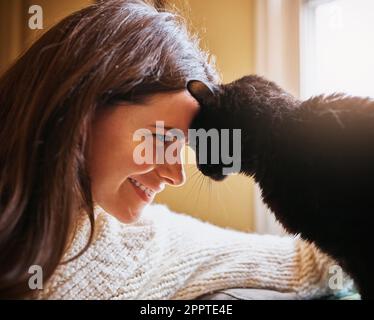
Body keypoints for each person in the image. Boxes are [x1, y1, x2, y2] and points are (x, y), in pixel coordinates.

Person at [0, 0, 334, 299]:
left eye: (184, 148)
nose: (175, 176)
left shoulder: (145, 240)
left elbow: (310, 262)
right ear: (83, 104)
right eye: (161, 139)